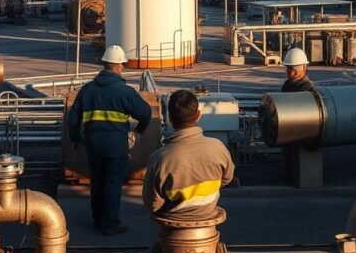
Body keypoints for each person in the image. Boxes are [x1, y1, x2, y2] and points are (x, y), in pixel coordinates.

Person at [67, 44, 152, 235]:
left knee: (97, 182)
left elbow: (73, 118)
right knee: (113, 182)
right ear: (119, 66)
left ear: (104, 64)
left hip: (93, 145)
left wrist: (75, 139)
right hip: (116, 146)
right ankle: (111, 223)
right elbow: (145, 112)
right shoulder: (124, 91)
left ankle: (97, 219)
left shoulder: (87, 90)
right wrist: (140, 129)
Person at [143, 90, 235, 220]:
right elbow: (227, 179)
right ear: (198, 115)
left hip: (172, 225)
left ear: (170, 117)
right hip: (208, 218)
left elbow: (152, 204)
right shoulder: (218, 147)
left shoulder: (159, 158)